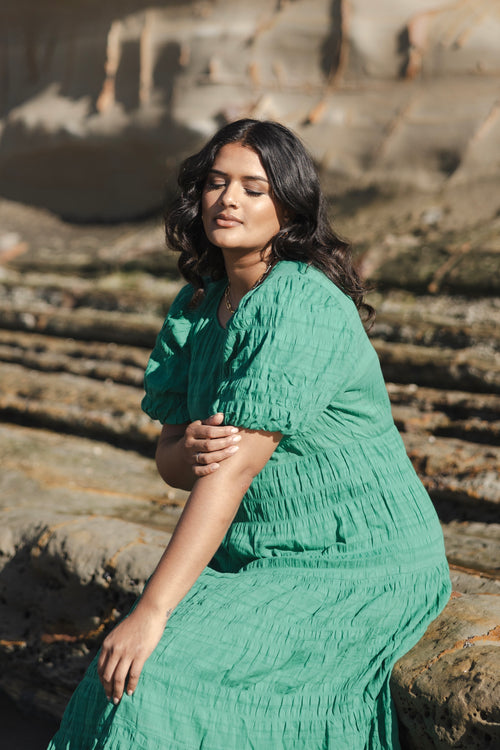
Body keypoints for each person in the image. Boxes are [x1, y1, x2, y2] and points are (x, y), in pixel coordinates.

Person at [48, 119, 450, 749]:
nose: (228, 199)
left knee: (152, 682)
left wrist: (152, 612)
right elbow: (173, 461)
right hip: (253, 555)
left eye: (253, 188)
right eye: (216, 182)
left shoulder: (300, 304)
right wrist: (189, 446)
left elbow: (231, 472)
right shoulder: (196, 308)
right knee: (111, 683)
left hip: (354, 561)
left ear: (288, 206)